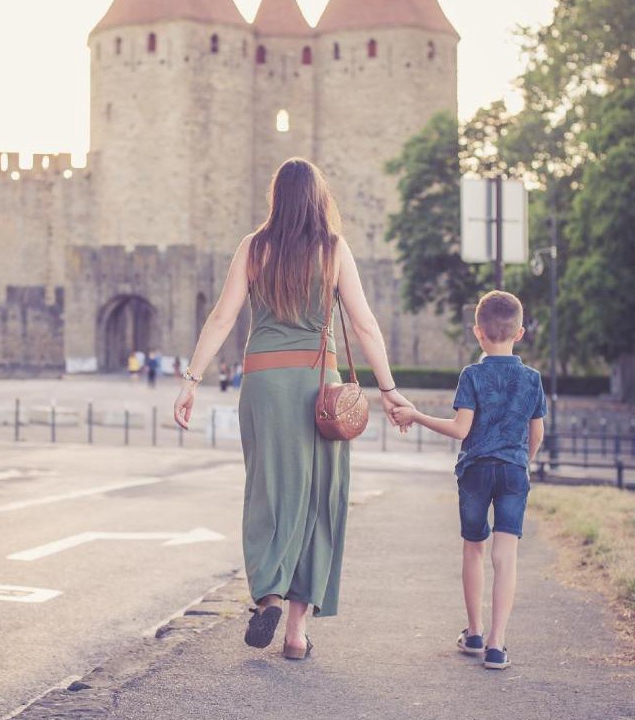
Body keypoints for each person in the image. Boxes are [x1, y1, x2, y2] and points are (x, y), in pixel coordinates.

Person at [174, 158, 412, 660]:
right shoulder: (332, 250)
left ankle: (269, 594)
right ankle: (297, 632)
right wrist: (388, 390)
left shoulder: (253, 247)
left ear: (276, 198)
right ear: (319, 197)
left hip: (262, 384)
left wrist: (191, 380)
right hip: (317, 388)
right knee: (319, 500)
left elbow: (222, 318)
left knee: (268, 492)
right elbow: (365, 326)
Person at [392, 290, 546, 671]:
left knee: (474, 548)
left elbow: (461, 429)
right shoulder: (532, 379)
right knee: (505, 555)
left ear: (478, 332)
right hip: (513, 471)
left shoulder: (472, 375)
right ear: (520, 332)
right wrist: (523, 461)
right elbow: (537, 432)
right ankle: (497, 645)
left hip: (475, 472)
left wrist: (416, 414)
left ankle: (474, 632)